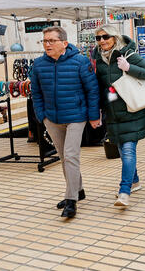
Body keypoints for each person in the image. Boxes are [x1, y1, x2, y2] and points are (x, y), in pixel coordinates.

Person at [30, 26, 100, 219]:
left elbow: (92, 90)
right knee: (63, 156)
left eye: (52, 40)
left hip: (76, 117)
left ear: (64, 43)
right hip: (52, 118)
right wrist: (41, 116)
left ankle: (71, 200)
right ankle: (79, 189)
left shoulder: (80, 61)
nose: (47, 44)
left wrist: (93, 116)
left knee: (70, 156)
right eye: (45, 41)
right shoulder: (38, 64)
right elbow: (36, 92)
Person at [94, 24, 145, 208]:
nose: (102, 41)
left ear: (115, 37)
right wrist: (97, 109)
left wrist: (128, 68)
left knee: (128, 151)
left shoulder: (128, 54)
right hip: (112, 113)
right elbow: (99, 87)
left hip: (130, 110)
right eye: (99, 38)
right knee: (122, 150)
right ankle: (134, 180)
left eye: (106, 37)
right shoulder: (98, 59)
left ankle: (124, 191)